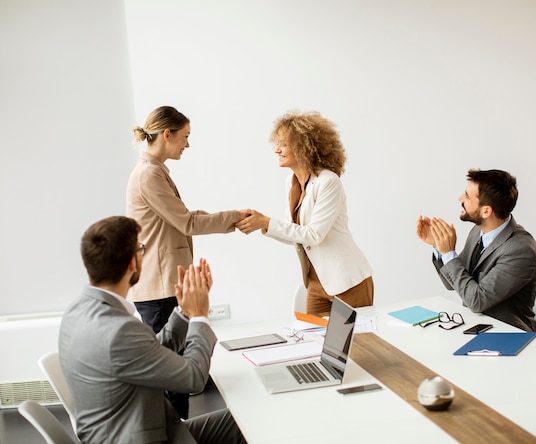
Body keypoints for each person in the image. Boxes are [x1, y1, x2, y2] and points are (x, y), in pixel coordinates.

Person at [58, 216, 246, 444]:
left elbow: (147, 352)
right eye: (141, 249)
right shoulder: (119, 331)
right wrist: (199, 316)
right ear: (132, 264)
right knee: (251, 424)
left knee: (246, 421)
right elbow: (194, 377)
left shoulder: (76, 311)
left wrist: (184, 312)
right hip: (144, 437)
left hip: (134, 430)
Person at [236, 111, 373, 316]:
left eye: (283, 144)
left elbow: (313, 235)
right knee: (313, 342)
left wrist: (266, 221)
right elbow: (294, 234)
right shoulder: (291, 183)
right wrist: (262, 224)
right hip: (316, 284)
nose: (277, 150)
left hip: (348, 282)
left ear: (302, 146)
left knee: (357, 345)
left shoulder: (328, 182)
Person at [127, 106, 246, 334]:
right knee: (173, 364)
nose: (187, 145)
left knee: (183, 360)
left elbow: (180, 220)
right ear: (167, 134)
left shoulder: (154, 171)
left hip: (163, 287)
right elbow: (187, 223)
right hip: (160, 290)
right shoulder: (149, 174)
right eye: (186, 137)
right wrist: (237, 218)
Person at [416, 169, 536, 332]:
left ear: (486, 211)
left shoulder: (521, 250)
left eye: (467, 196)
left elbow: (476, 301)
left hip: (508, 337)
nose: (460, 198)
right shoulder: (478, 232)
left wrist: (449, 254)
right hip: (476, 329)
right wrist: (440, 247)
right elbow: (452, 283)